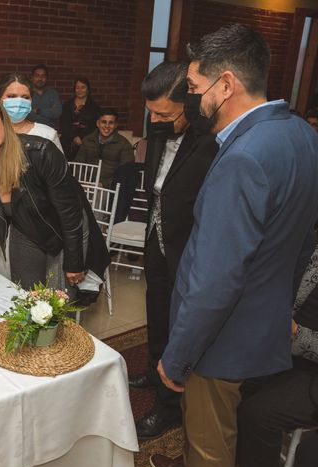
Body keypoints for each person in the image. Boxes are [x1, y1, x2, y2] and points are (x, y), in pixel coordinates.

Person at [155, 24, 318, 467]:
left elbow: (215, 277)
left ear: (225, 84)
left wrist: (179, 354)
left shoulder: (244, 155)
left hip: (221, 339)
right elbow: (304, 240)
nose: (192, 98)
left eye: (193, 87)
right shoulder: (302, 136)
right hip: (266, 331)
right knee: (244, 442)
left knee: (210, 451)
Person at [129, 61, 218, 440]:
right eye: (151, 112)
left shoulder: (211, 139)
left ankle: (168, 408)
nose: (157, 120)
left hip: (187, 244)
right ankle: (154, 367)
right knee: (157, 307)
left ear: (190, 103)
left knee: (181, 321)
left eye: (164, 113)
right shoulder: (160, 123)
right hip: (156, 237)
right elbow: (157, 186)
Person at [0, 89, 109, 301]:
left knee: (57, 306)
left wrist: (74, 261)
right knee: (28, 301)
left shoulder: (41, 152)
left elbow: (70, 215)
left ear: (3, 119)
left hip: (65, 232)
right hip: (25, 228)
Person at [237, 243, 318, 467]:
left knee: (258, 415)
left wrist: (297, 334)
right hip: (286, 354)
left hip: (310, 372)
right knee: (228, 384)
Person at [0, 72, 63, 152]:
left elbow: (59, 164)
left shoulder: (47, 134)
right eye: (12, 96)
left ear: (31, 100)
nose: (19, 102)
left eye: (25, 97)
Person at [73, 107, 134, 188]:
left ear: (116, 125)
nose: (107, 126)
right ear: (98, 123)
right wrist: (84, 182)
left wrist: (104, 184)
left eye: (111, 123)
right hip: (85, 185)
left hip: (110, 189)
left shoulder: (124, 144)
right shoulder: (87, 140)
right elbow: (78, 164)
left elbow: (126, 172)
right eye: (103, 122)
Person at [60, 77, 101, 161]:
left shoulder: (94, 107)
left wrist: (82, 138)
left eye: (83, 87)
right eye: (77, 87)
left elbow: (94, 126)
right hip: (67, 140)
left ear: (88, 89)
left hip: (86, 141)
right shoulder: (67, 105)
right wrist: (74, 137)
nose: (80, 90)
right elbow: (63, 124)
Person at [28, 64, 62, 129]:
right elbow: (27, 114)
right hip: (31, 130)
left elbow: (57, 113)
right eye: (37, 76)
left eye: (43, 76)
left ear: (47, 78)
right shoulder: (26, 93)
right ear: (32, 77)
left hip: (51, 129)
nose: (40, 79)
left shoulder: (53, 93)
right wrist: (49, 112)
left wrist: (38, 111)